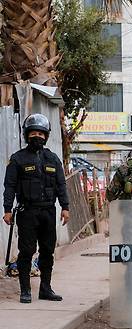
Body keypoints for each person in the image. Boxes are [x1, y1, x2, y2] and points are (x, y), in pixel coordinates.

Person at [3, 113, 69, 303]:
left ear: (46, 136)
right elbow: (10, 186)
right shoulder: (17, 159)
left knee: (47, 251)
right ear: (26, 135)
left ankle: (45, 289)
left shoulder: (53, 159)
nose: (37, 137)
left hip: (49, 211)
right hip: (27, 212)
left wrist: (65, 207)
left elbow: (61, 185)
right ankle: (25, 291)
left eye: (41, 133)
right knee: (27, 252)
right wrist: (7, 209)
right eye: (33, 133)